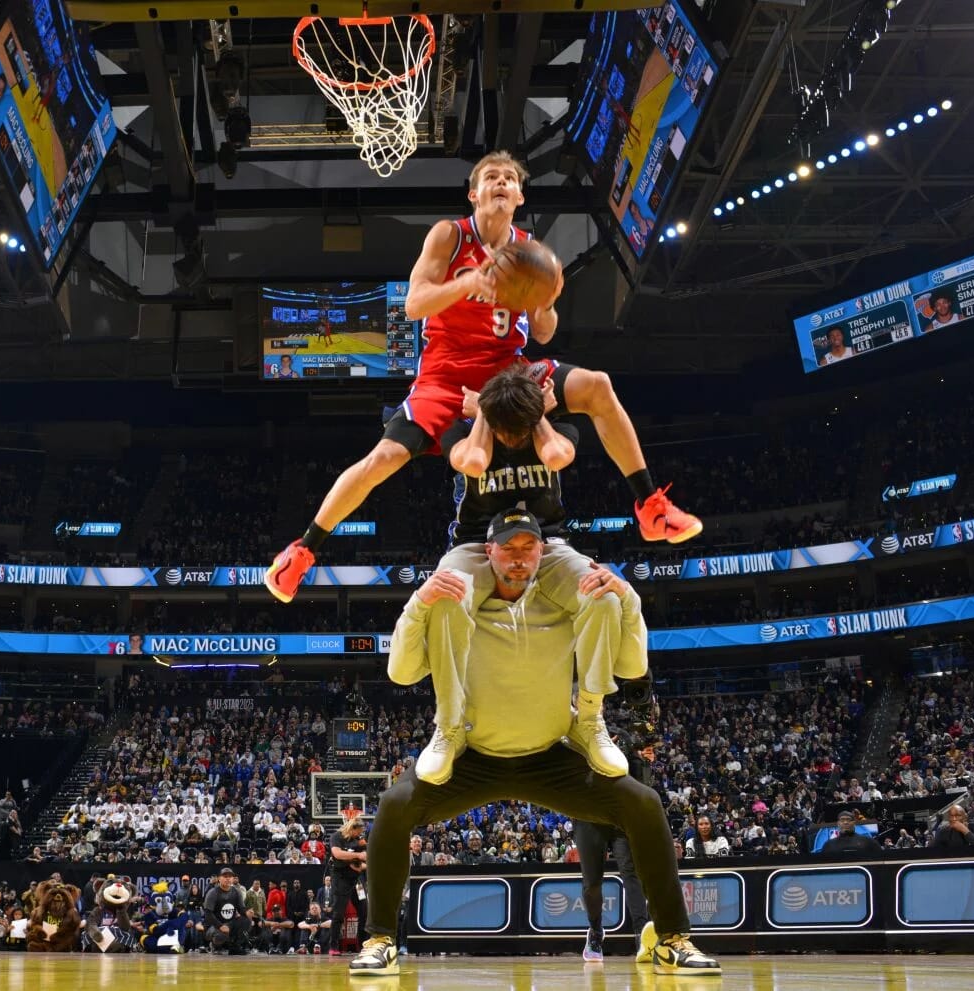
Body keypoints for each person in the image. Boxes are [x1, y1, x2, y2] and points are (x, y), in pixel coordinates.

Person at [264, 150, 702, 604]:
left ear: (518, 195)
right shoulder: (449, 237)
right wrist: (468, 283)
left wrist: (546, 303)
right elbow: (414, 304)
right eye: (490, 177)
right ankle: (302, 551)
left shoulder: (532, 252)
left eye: (509, 178)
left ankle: (651, 508)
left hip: (509, 370)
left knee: (598, 385)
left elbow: (545, 332)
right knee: (385, 458)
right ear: (474, 194)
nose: (500, 182)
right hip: (445, 374)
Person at [348, 510, 719, 977]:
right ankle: (381, 938)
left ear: (545, 552)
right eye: (509, 547)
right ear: (488, 553)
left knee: (643, 804)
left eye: (529, 547)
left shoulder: (571, 602)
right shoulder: (457, 604)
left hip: (550, 756)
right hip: (474, 755)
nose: (519, 558)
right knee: (393, 805)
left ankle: (672, 938)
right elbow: (400, 673)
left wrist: (627, 598)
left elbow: (631, 666)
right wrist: (418, 601)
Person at [415, 366, 644, 784]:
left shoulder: (551, 429)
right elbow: (470, 461)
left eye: (519, 430)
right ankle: (448, 727)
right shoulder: (465, 431)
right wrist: (484, 415)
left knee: (602, 595)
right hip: (475, 545)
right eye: (505, 429)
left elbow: (557, 455)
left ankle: (590, 719)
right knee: (445, 599)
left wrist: (539, 415)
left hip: (549, 544)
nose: (512, 440)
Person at [574, 734, 656, 963]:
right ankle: (596, 932)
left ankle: (642, 938)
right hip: (588, 817)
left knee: (632, 876)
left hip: (620, 819)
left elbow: (643, 788)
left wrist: (645, 762)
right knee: (592, 883)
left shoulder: (628, 745)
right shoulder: (577, 738)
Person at [327, 815, 369, 954]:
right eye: (358, 831)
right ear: (352, 828)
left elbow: (360, 865)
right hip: (341, 879)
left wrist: (363, 863)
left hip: (356, 881)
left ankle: (363, 945)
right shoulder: (336, 837)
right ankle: (333, 946)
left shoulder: (358, 841)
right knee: (338, 913)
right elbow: (337, 854)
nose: (360, 834)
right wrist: (358, 856)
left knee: (364, 911)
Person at [202, 867, 252, 954]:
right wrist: (220, 926)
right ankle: (215, 946)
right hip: (213, 926)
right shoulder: (213, 893)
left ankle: (234, 947)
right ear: (219, 879)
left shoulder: (236, 892)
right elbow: (208, 914)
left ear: (233, 879)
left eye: (230, 876)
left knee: (247, 921)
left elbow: (241, 909)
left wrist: (247, 912)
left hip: (229, 923)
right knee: (221, 935)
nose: (228, 878)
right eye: (225, 876)